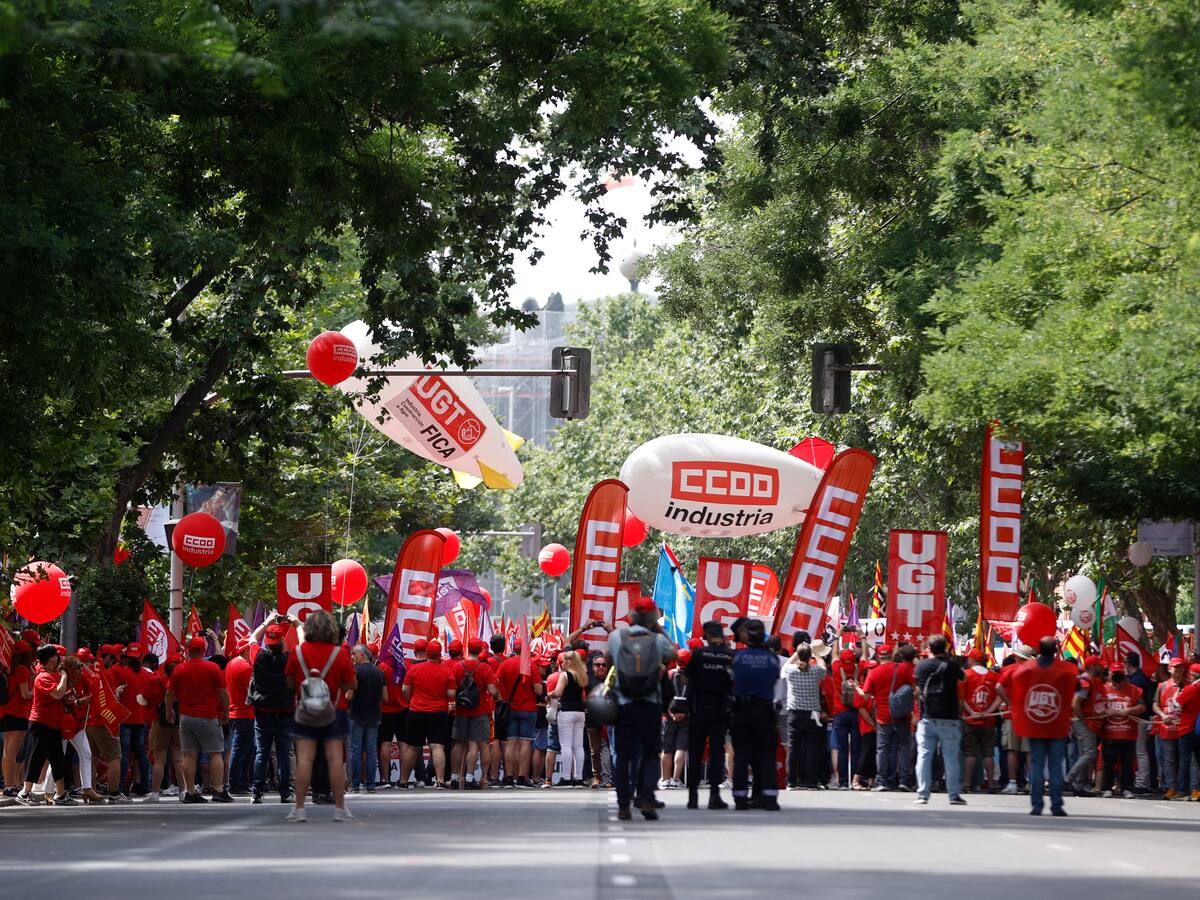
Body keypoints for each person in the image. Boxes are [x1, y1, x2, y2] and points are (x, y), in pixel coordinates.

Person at [607, 597, 677, 820]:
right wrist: (658, 631)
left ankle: (623, 805)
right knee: (650, 754)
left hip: (624, 704)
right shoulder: (657, 639)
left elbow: (609, 660)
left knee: (623, 755)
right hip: (650, 704)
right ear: (652, 618)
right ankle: (646, 799)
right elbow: (674, 654)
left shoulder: (617, 636)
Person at [285, 610, 357, 822]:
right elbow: (350, 683)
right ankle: (339, 808)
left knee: (305, 759)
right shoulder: (340, 654)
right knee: (335, 759)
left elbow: (289, 683)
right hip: (334, 710)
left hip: (305, 711)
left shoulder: (298, 652)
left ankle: (299, 809)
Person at [997, 636, 1076, 816]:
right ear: (1056, 650)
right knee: (1055, 765)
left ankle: (1037, 804)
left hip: (1034, 724)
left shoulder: (1025, 669)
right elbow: (1071, 693)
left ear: (1038, 650)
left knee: (1037, 764)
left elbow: (1015, 690)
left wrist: (1015, 707)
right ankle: (1056, 805)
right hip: (1057, 725)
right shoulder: (1066, 670)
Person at [166, 635, 232, 804]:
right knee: (216, 753)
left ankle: (189, 791)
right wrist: (226, 711)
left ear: (188, 651)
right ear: (204, 650)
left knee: (189, 755)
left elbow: (169, 694)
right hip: (208, 716)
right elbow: (223, 693)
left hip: (186, 717)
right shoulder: (213, 668)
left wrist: (169, 711)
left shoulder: (179, 669)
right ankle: (218, 789)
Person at [728, 618, 780, 811]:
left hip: (742, 710)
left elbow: (732, 679)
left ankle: (740, 799)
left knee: (741, 755)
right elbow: (774, 678)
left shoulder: (738, 658)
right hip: (764, 710)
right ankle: (770, 798)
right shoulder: (772, 658)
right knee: (766, 755)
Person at [683, 621, 734, 809]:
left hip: (698, 709)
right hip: (720, 710)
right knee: (716, 752)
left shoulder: (698, 654)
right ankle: (714, 796)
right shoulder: (729, 655)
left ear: (706, 635)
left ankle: (692, 797)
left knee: (695, 753)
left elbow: (685, 678)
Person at [913, 635, 967, 806]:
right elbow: (963, 677)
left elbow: (917, 687)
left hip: (927, 717)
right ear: (945, 648)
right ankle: (953, 794)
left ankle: (923, 794)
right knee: (951, 757)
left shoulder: (921, 666)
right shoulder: (952, 665)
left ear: (929, 648)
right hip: (949, 718)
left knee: (924, 756)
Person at [16, 645, 73, 805]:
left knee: (57, 759)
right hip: (41, 723)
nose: (58, 659)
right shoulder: (43, 677)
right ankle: (25, 792)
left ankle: (60, 794)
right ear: (51, 658)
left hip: (52, 724)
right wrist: (64, 677)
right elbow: (57, 694)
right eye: (56, 656)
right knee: (36, 758)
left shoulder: (50, 674)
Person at [249, 621, 295, 803]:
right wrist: (297, 623)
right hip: (284, 712)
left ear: (267, 642)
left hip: (263, 713)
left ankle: (256, 792)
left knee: (262, 753)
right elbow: (303, 642)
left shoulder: (258, 657)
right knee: (284, 753)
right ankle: (284, 792)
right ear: (282, 640)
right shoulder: (290, 659)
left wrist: (267, 622)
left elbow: (252, 638)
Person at [859, 643, 916, 791]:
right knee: (903, 748)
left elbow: (865, 696)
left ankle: (883, 781)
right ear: (891, 656)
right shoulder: (903, 669)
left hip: (883, 716)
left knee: (883, 748)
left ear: (878, 656)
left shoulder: (874, 673)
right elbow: (914, 690)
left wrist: (857, 689)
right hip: (902, 715)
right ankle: (903, 780)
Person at [401, 639, 455, 788]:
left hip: (416, 711)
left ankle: (404, 780)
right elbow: (451, 692)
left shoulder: (413, 669)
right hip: (438, 712)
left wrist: (411, 700)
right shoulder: (446, 670)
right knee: (437, 747)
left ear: (427, 653)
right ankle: (440, 780)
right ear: (439, 654)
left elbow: (405, 690)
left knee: (412, 747)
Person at [449, 639, 499, 790]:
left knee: (458, 744)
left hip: (461, 710)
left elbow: (451, 691)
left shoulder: (458, 666)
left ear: (468, 649)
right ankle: (470, 778)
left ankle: (454, 777)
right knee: (473, 745)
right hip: (480, 710)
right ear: (481, 651)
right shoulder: (484, 668)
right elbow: (493, 690)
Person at [781, 642, 828, 790]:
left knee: (793, 748)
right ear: (810, 657)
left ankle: (791, 781)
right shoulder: (815, 671)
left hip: (794, 713)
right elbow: (823, 666)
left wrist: (796, 653)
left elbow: (786, 665)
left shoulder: (790, 670)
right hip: (812, 713)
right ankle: (811, 781)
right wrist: (816, 652)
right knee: (811, 748)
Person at [496, 642, 542, 788]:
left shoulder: (505, 664)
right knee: (525, 743)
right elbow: (539, 690)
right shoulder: (531, 665)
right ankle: (522, 777)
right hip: (528, 709)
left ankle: (509, 777)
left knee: (510, 743)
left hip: (511, 708)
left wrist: (502, 696)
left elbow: (496, 681)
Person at [1097, 662, 1145, 798]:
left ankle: (1126, 788)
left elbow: (1142, 707)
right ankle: (1107, 788)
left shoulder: (1135, 690)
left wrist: (1129, 710)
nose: (1117, 677)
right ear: (1110, 675)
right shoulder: (1103, 689)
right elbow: (1096, 707)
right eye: (1114, 674)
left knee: (1127, 763)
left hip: (1128, 733)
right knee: (1108, 762)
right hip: (1109, 733)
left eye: (1120, 674)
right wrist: (1106, 710)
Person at [144, 653, 183, 803]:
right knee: (178, 759)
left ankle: (155, 793)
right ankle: (183, 791)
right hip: (178, 722)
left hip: (158, 722)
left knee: (159, 760)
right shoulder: (182, 681)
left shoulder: (156, 680)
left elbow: (145, 700)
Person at [1065, 655, 1105, 796]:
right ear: (1093, 667)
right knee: (1090, 753)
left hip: (1083, 720)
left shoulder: (1091, 680)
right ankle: (1069, 778)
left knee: (1084, 754)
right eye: (1100, 665)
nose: (1103, 667)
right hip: (1082, 721)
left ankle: (1079, 785)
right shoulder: (1085, 681)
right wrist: (1083, 721)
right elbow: (1075, 703)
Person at [960, 648, 999, 794]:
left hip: (970, 720)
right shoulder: (994, 676)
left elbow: (961, 697)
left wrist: (971, 712)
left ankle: (967, 784)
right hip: (988, 721)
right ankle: (991, 784)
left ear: (972, 660)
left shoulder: (966, 675)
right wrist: (990, 711)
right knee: (988, 753)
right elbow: (999, 696)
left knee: (970, 753)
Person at [116, 643, 152, 797]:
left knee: (123, 753)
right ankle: (144, 784)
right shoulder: (147, 675)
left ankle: (121, 786)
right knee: (140, 753)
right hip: (141, 719)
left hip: (125, 719)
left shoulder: (120, 672)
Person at [349, 644, 385, 793]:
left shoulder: (355, 671)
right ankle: (371, 784)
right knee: (371, 751)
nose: (352, 657)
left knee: (356, 751)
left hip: (357, 715)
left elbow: (349, 695)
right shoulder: (379, 672)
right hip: (374, 715)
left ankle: (356, 784)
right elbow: (385, 697)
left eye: (354, 654)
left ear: (362, 655)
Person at [550, 649, 589, 787]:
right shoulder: (582, 675)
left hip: (566, 711)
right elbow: (584, 697)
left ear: (569, 661)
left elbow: (558, 692)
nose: (563, 662)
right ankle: (578, 777)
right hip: (580, 713)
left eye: (565, 660)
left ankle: (566, 777)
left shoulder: (565, 675)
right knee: (578, 746)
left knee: (566, 745)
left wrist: (550, 694)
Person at [1, 640, 34, 797]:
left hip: (4, 713)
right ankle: (10, 786)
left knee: (7, 751)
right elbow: (25, 694)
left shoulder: (8, 668)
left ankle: (9, 785)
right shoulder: (22, 670)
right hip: (18, 713)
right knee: (12, 752)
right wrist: (37, 692)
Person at [1154, 658, 1188, 799]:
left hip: (1183, 728)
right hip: (1166, 728)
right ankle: (1171, 787)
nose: (1179, 670)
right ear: (1170, 669)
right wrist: (1162, 715)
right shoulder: (1162, 686)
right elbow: (1155, 704)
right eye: (1176, 667)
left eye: (1181, 668)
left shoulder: (1188, 686)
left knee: (1183, 759)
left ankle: (1182, 788)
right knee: (1168, 759)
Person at [224, 640, 255, 794]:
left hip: (234, 712)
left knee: (242, 748)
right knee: (241, 749)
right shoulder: (246, 668)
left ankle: (240, 782)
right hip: (245, 713)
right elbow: (252, 691)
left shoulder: (230, 664)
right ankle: (236, 783)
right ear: (246, 651)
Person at [1123, 652, 1156, 794]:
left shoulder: (1137, 681)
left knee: (1140, 751)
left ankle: (1143, 782)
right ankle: (1140, 780)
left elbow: (1137, 702)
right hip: (1139, 718)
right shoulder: (1139, 677)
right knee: (1139, 750)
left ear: (1128, 664)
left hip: (1140, 718)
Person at [830, 648, 862, 790]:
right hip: (856, 712)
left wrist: (838, 636)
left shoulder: (837, 668)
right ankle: (856, 781)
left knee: (842, 748)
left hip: (840, 712)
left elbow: (834, 655)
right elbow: (865, 657)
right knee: (856, 748)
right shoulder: (859, 670)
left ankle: (843, 782)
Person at [1173, 663, 1200, 801]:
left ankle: (1183, 790)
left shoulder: (1191, 689)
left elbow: (1176, 705)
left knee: (1185, 760)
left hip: (1187, 728)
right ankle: (1198, 790)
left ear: (1192, 675)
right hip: (1198, 730)